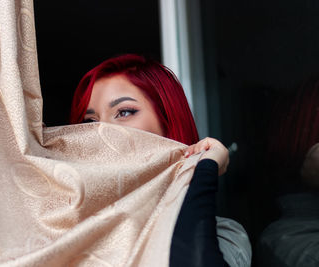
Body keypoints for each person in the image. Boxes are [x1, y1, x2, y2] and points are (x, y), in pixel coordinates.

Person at [70, 54, 251, 266]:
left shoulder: (224, 234)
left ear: (167, 122)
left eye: (125, 112)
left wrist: (201, 169)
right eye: (90, 122)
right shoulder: (62, 227)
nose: (102, 131)